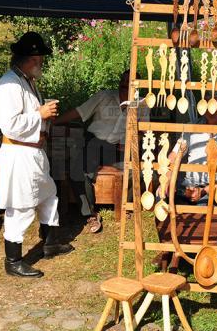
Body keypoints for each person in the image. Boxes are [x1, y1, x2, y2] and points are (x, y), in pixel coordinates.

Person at [0, 31, 73, 278]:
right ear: (31, 59)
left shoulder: (27, 81)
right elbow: (9, 125)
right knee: (21, 205)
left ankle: (50, 243)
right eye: (40, 59)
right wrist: (40, 114)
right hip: (19, 154)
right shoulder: (8, 85)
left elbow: (34, 115)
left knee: (48, 195)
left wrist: (45, 117)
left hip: (35, 153)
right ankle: (13, 260)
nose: (42, 64)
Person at [54, 70, 148, 232]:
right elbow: (80, 111)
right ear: (120, 82)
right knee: (78, 170)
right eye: (124, 81)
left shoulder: (142, 104)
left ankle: (128, 206)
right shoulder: (104, 97)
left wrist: (130, 141)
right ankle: (90, 214)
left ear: (137, 86)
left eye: (132, 81)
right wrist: (54, 122)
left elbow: (144, 131)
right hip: (96, 143)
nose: (127, 84)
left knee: (136, 171)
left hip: (122, 147)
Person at [169, 99, 217, 205]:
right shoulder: (191, 127)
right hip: (190, 187)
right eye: (209, 105)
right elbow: (174, 155)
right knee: (163, 198)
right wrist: (166, 177)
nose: (212, 110)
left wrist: (205, 190)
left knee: (202, 207)